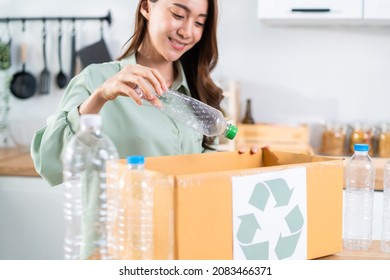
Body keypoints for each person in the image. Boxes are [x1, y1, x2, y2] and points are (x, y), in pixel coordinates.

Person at [31, 0, 232, 187]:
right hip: (120, 224)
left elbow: (206, 175)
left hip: (184, 223)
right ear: (146, 7)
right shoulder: (95, 80)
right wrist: (100, 97)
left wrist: (246, 162)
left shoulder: (198, 90)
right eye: (178, 15)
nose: (188, 32)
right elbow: (50, 167)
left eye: (199, 23)